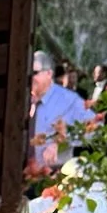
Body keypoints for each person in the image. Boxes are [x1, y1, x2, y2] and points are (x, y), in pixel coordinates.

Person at [29, 51, 92, 181]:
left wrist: (62, 141)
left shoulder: (69, 100)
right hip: (21, 176)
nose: (30, 77)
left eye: (35, 73)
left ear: (49, 74)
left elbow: (96, 127)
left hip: (55, 177)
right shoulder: (21, 99)